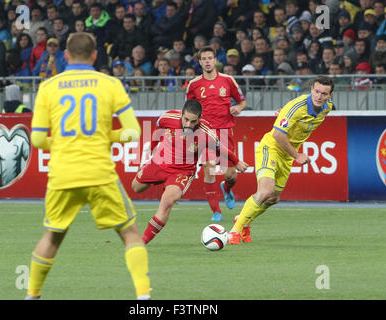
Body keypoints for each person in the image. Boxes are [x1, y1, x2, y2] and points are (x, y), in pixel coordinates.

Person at [26, 32, 151, 300]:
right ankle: (143, 298)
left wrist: (60, 142)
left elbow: (36, 139)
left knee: (52, 237)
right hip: (99, 174)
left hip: (63, 175)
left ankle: (32, 295)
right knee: (130, 233)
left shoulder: (48, 88)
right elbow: (133, 132)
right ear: (95, 56)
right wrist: (106, 136)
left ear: (66, 56)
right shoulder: (110, 84)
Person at [228, 76, 335, 245]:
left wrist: (282, 115)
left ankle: (243, 220)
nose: (319, 96)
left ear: (330, 95)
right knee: (265, 191)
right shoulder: (296, 107)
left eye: (324, 93)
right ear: (311, 90)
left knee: (273, 199)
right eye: (316, 91)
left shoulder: (327, 108)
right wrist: (298, 156)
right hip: (270, 147)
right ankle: (233, 233)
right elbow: (278, 134)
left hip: (286, 156)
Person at [132, 99, 248, 244]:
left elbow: (221, 149)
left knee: (166, 203)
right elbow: (158, 126)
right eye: (186, 119)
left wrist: (236, 162)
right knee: (136, 187)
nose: (188, 125)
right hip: (159, 163)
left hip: (182, 172)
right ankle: (161, 183)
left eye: (193, 121)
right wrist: (154, 146)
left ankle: (140, 243)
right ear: (181, 114)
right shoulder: (168, 117)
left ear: (199, 118)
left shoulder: (206, 133)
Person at [186, 46, 247, 222]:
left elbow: (242, 102)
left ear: (215, 61)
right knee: (209, 169)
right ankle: (216, 211)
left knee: (230, 175)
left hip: (225, 130)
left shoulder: (228, 80)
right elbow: (188, 111)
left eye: (210, 58)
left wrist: (238, 108)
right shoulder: (194, 84)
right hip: (204, 132)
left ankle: (227, 188)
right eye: (203, 58)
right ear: (199, 62)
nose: (207, 61)